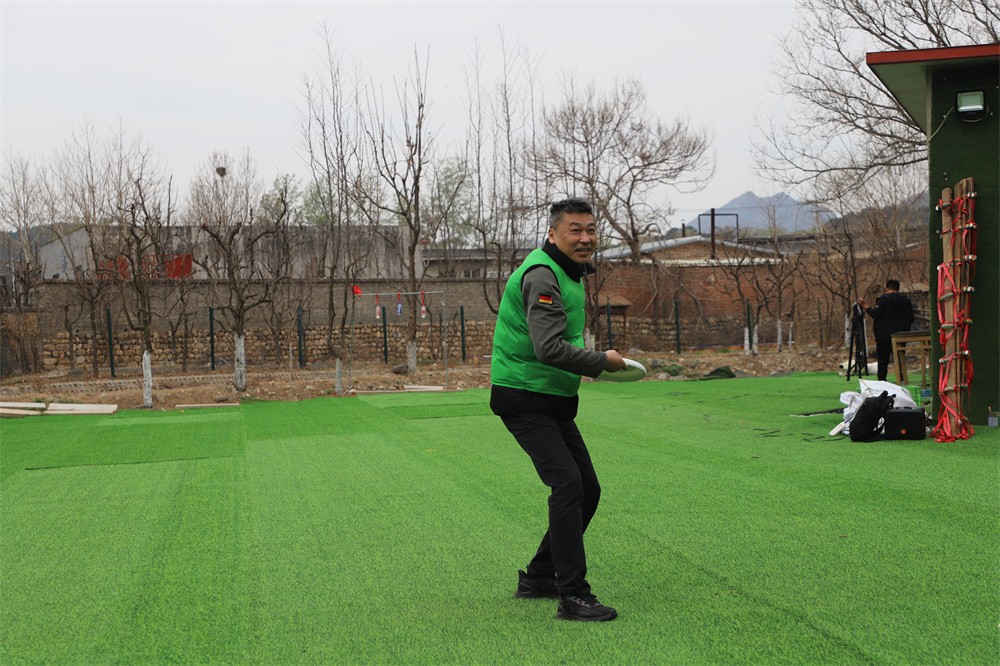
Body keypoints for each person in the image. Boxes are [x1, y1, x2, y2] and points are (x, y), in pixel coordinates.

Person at [490, 197, 627, 622]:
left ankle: (538, 577)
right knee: (568, 485)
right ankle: (573, 595)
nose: (585, 238)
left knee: (588, 489)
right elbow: (548, 348)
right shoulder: (542, 275)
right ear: (552, 234)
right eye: (575, 230)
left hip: (552, 400)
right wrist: (601, 362)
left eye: (591, 230)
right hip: (523, 396)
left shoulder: (569, 272)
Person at [857, 279, 915, 381]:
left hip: (883, 336)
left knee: (883, 361)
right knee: (900, 359)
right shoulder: (906, 301)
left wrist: (865, 306)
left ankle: (882, 381)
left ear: (886, 289)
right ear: (898, 289)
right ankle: (902, 380)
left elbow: (875, 314)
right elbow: (911, 318)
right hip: (900, 336)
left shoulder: (883, 300)